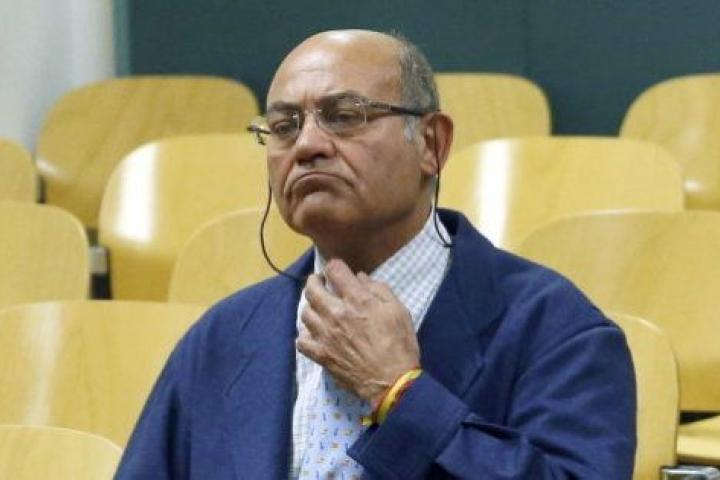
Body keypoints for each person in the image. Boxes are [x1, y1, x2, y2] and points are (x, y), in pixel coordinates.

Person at [116, 30, 636, 479]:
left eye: (344, 116)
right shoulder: (224, 336)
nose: (307, 145)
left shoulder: (558, 330)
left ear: (431, 144)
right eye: (284, 126)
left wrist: (399, 393)